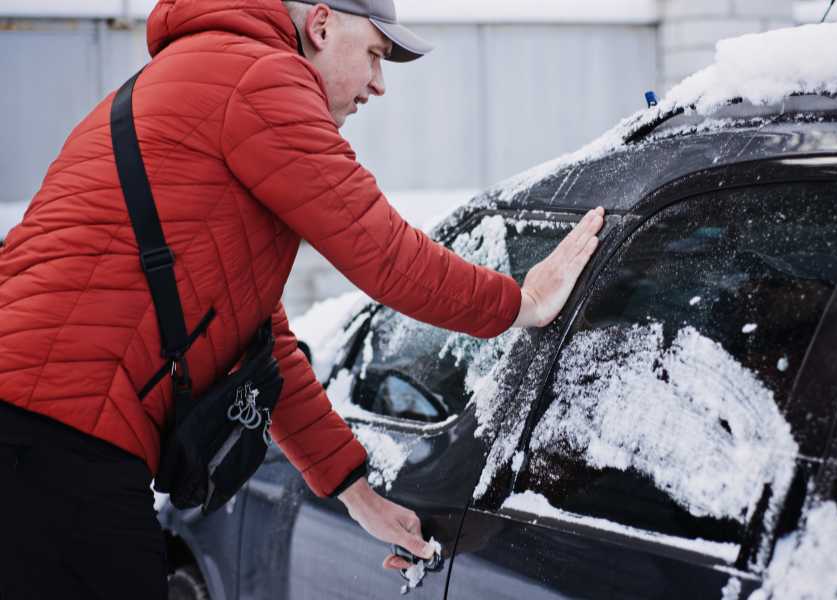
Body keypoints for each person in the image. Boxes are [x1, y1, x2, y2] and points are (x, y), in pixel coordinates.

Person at [0, 0, 605, 598]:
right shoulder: (261, 76)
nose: (379, 84)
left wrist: (355, 493)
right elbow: (386, 255)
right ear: (320, 25)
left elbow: (260, 346)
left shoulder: (208, 74)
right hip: (54, 437)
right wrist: (522, 302)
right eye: (374, 53)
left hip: (38, 430)